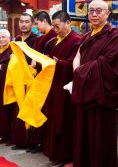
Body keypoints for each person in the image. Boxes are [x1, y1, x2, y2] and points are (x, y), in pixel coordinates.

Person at [71, 0, 118, 167]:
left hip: (100, 94)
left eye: (99, 11)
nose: (94, 14)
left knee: (99, 137)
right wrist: (78, 70)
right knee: (84, 134)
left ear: (107, 14)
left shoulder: (114, 36)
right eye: (91, 10)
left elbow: (108, 64)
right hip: (85, 91)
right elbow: (78, 56)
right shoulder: (87, 35)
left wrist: (79, 72)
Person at [41, 11, 81, 166]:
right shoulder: (52, 42)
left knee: (65, 121)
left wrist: (60, 63)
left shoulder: (76, 41)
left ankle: (66, 155)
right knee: (52, 119)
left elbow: (75, 65)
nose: (56, 30)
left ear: (68, 23)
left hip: (65, 88)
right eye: (54, 27)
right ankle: (53, 153)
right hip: (52, 86)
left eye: (58, 26)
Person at [28, 11, 57, 154]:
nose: (36, 27)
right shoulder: (41, 39)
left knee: (46, 110)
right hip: (39, 77)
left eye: (37, 23)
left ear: (44, 21)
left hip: (49, 79)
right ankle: (39, 141)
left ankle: (45, 142)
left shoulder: (54, 37)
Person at [11, 12, 39, 149]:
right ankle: (21, 141)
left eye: (27, 21)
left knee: (31, 108)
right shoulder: (16, 40)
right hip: (17, 79)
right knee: (18, 109)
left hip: (31, 79)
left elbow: (37, 60)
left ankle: (32, 142)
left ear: (32, 24)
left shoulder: (36, 40)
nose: (23, 24)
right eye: (21, 21)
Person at [0, 29, 13, 144]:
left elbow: (13, 67)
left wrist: (0, 67)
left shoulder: (12, 49)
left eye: (4, 37)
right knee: (0, 109)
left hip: (9, 83)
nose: (1, 39)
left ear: (9, 38)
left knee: (9, 109)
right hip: (0, 82)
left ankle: (11, 136)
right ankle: (4, 135)